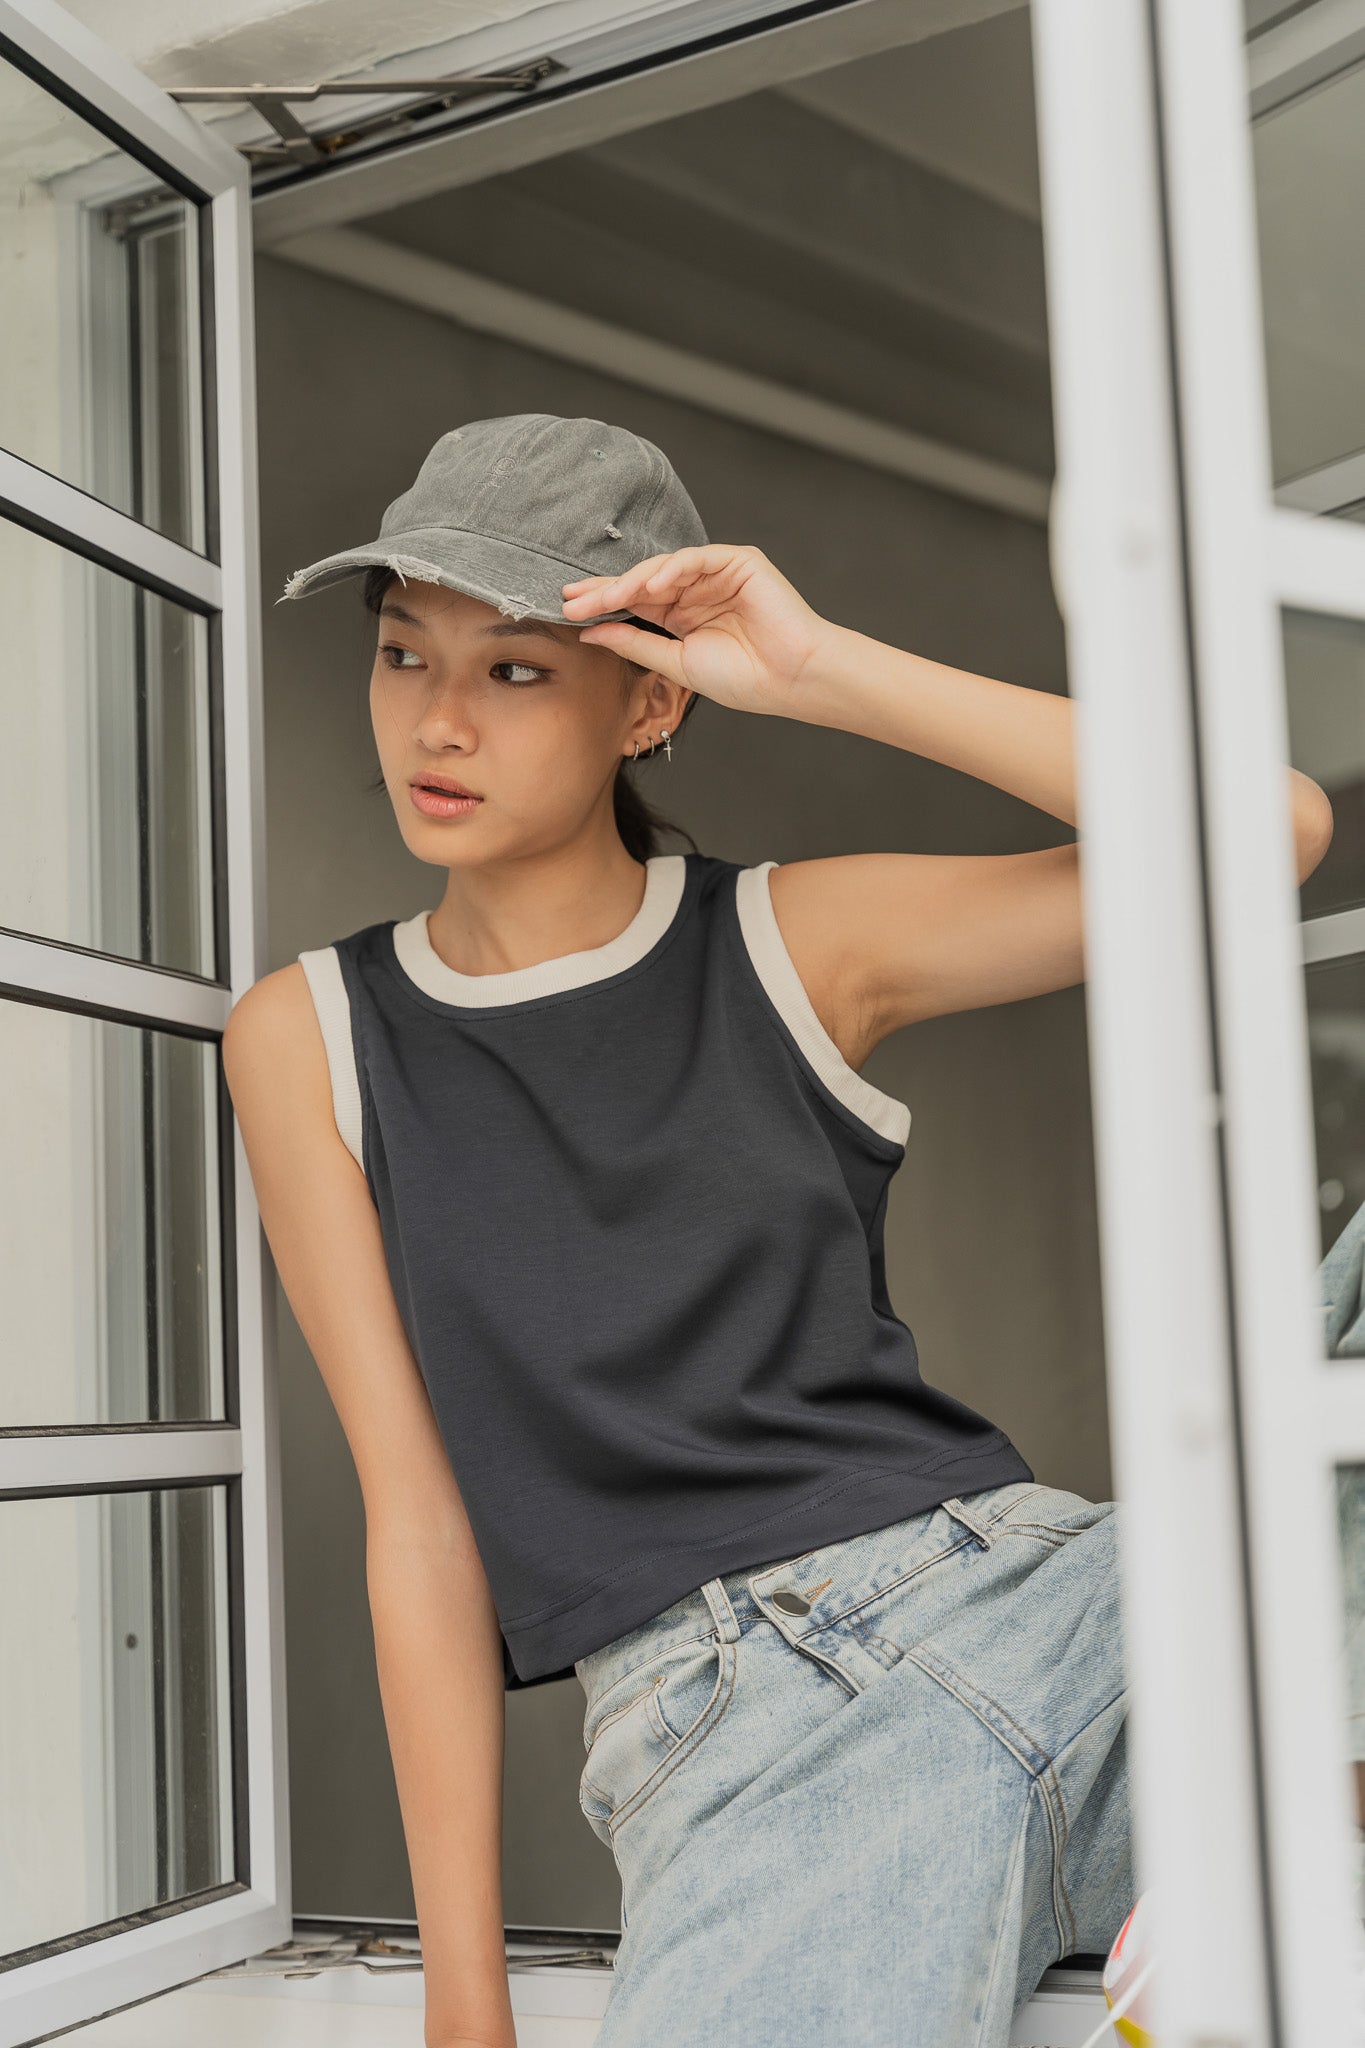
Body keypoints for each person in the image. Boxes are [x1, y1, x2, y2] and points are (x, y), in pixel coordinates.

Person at [223, 412, 1334, 2048]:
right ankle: (1270, 1833)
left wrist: (816, 668)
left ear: (650, 699)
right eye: (402, 655)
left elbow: (1270, 832)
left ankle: (1282, 1819)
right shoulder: (307, 1032)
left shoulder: (791, 936)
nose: (437, 720)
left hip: (1057, 1609)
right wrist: (468, 2006)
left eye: (516, 670)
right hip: (744, 1734)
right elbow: (420, 1525)